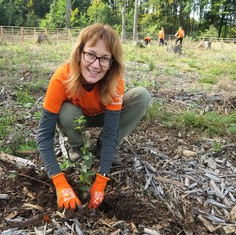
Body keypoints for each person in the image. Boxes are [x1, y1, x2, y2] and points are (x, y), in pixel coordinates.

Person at [37, 23, 151, 211]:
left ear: (112, 62)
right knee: (66, 112)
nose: (96, 65)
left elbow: (111, 130)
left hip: (102, 115)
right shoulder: (61, 78)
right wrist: (59, 181)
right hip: (75, 115)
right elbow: (43, 135)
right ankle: (75, 145)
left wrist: (101, 180)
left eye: (104, 58)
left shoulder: (114, 82)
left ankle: (101, 149)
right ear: (80, 52)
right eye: (91, 54)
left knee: (141, 95)